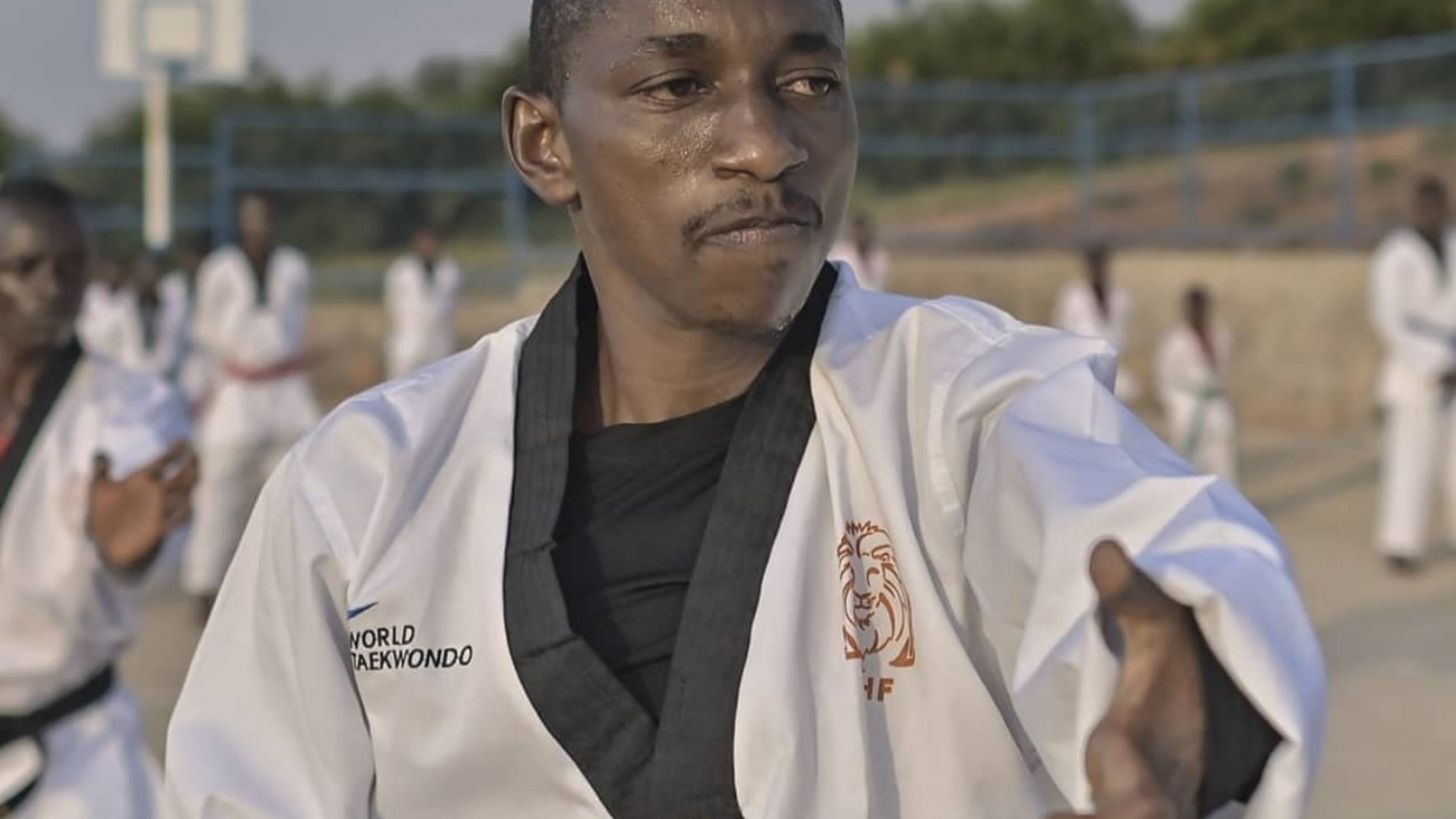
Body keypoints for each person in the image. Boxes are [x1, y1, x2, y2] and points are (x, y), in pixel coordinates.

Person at [165, 1, 1324, 817]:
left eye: (809, 83)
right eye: (679, 87)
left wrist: (1194, 703)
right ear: (544, 143)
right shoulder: (362, 491)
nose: (768, 147)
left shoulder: (959, 402)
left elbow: (1156, 539)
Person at [0, 178, 196, 817]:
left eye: (71, 265)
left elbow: (157, 552)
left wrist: (131, 555)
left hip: (75, 754)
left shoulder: (131, 408)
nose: (52, 286)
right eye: (26, 266)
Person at [181, 191, 319, 619]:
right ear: (240, 222)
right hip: (237, 391)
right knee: (218, 494)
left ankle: (294, 586)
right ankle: (205, 585)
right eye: (251, 218)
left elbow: (298, 324)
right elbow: (204, 335)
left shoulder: (293, 266)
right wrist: (199, 394)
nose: (258, 226)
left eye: (265, 217)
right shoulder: (220, 269)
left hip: (287, 391)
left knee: (300, 489)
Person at [1369, 176, 1456, 574]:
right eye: (1427, 205)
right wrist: (1435, 364)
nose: (1435, 213)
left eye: (1441, 204)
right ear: (1415, 208)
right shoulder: (1395, 254)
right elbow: (1389, 320)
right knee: (1411, 459)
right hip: (1414, 370)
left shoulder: (1453, 244)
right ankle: (1401, 543)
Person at [1157, 286, 1236, 483]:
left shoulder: (1220, 335)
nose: (1198, 311)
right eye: (1195, 307)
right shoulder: (1175, 339)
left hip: (1215, 402)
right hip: (1187, 404)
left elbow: (1225, 370)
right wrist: (1176, 406)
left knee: (1222, 457)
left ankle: (1223, 498)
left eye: (1202, 306)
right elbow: (1165, 376)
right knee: (1188, 460)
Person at [77, 250, 191, 382]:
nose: (147, 278)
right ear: (136, 275)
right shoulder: (121, 307)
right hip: (130, 378)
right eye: (143, 272)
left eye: (151, 272)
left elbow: (176, 349)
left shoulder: (172, 307)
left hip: (166, 377)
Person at [1053, 242, 1139, 401]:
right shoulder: (1073, 295)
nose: (1097, 267)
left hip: (1111, 367)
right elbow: (1062, 332)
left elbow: (1123, 336)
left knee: (1125, 391)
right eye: (1093, 263)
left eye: (1101, 263)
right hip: (1080, 366)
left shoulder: (1120, 296)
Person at [383, 225, 462, 378]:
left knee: (440, 382)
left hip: (439, 339)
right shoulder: (402, 270)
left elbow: (451, 304)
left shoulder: (449, 270)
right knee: (401, 382)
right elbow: (391, 302)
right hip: (408, 338)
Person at [829, 210, 890, 290]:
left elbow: (881, 286)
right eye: (860, 231)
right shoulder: (841, 256)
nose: (863, 235)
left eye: (866, 231)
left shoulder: (879, 257)